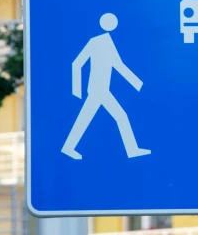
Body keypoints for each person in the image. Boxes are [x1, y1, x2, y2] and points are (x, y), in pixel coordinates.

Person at [61, 13, 150, 159]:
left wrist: (136, 83)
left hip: (102, 89)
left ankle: (68, 147)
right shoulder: (97, 42)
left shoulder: (108, 42)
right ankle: (132, 150)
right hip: (97, 89)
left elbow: (118, 65)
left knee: (94, 117)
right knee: (118, 116)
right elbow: (77, 63)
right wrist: (76, 90)